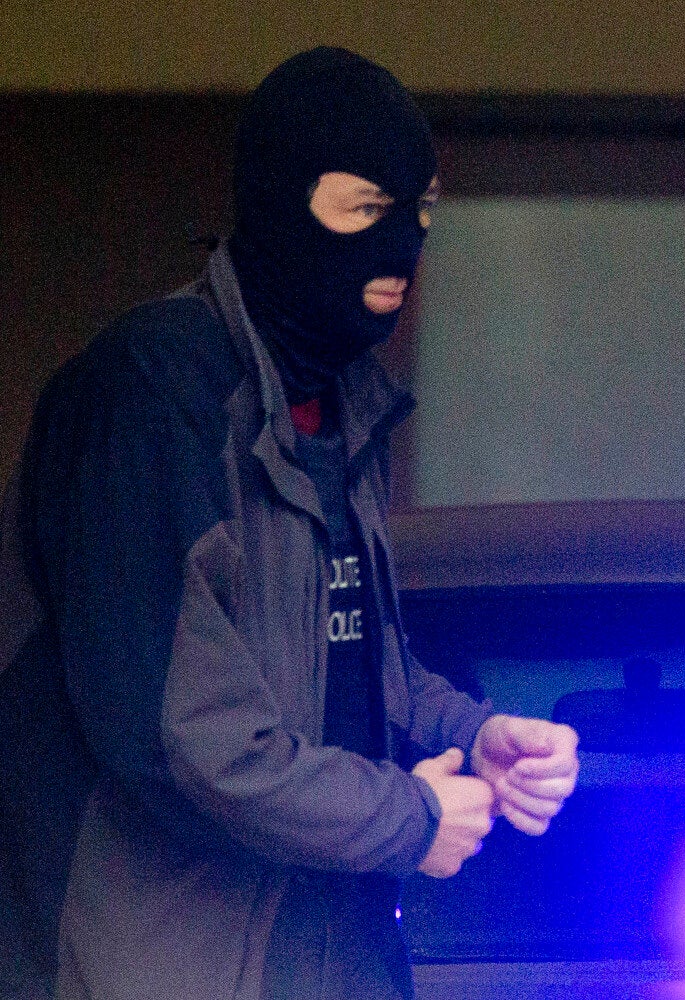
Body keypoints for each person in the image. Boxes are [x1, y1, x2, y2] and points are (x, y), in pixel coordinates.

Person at [0, 48, 579, 1000]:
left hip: (330, 959)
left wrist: (475, 734)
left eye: (422, 212)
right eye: (364, 209)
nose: (402, 246)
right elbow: (185, 739)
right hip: (157, 966)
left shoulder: (339, 405)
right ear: (279, 204)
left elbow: (350, 663)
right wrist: (410, 820)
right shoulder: (152, 396)